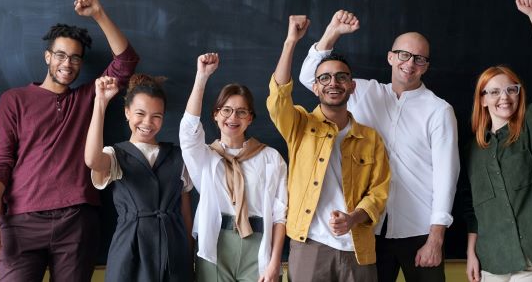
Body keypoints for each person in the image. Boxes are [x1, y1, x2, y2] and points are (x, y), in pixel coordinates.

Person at [0, 0, 139, 281]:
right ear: (48, 57)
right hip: (21, 221)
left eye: (76, 58)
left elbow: (126, 61)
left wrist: (98, 13)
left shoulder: (88, 97)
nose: (67, 63)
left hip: (76, 221)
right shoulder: (14, 99)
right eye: (61, 55)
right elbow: (1, 160)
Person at [299, 10, 459, 282]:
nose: (410, 64)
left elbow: (447, 177)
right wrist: (332, 32)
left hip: (419, 230)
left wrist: (436, 238)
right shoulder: (361, 91)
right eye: (404, 55)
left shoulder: (439, 110)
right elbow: (309, 77)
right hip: (368, 228)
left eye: (419, 59)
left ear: (426, 66)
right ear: (391, 57)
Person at [268, 15, 390, 282]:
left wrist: (354, 218)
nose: (333, 83)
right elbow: (278, 97)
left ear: (351, 86)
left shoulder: (370, 138)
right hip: (309, 244)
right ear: (315, 87)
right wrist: (291, 42)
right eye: (324, 78)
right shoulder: (299, 124)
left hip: (358, 249)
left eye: (340, 77)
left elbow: (379, 191)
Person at [463, 0, 532, 282]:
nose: (503, 98)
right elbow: (472, 208)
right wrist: (472, 253)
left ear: (519, 95)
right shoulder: (472, 150)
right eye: (493, 91)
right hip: (492, 258)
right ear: (482, 100)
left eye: (511, 89)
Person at [180, 53, 287, 282]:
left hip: (258, 245)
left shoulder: (270, 158)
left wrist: (275, 262)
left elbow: (280, 216)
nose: (233, 117)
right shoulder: (205, 157)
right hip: (216, 244)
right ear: (216, 115)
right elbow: (188, 131)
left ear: (250, 119)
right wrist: (202, 76)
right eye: (226, 110)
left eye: (241, 111)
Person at [84, 74, 194, 281]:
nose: (147, 122)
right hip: (129, 251)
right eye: (140, 114)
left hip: (173, 252)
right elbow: (91, 160)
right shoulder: (115, 155)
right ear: (127, 112)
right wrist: (100, 102)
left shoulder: (178, 157)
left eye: (156, 116)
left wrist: (188, 257)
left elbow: (185, 214)